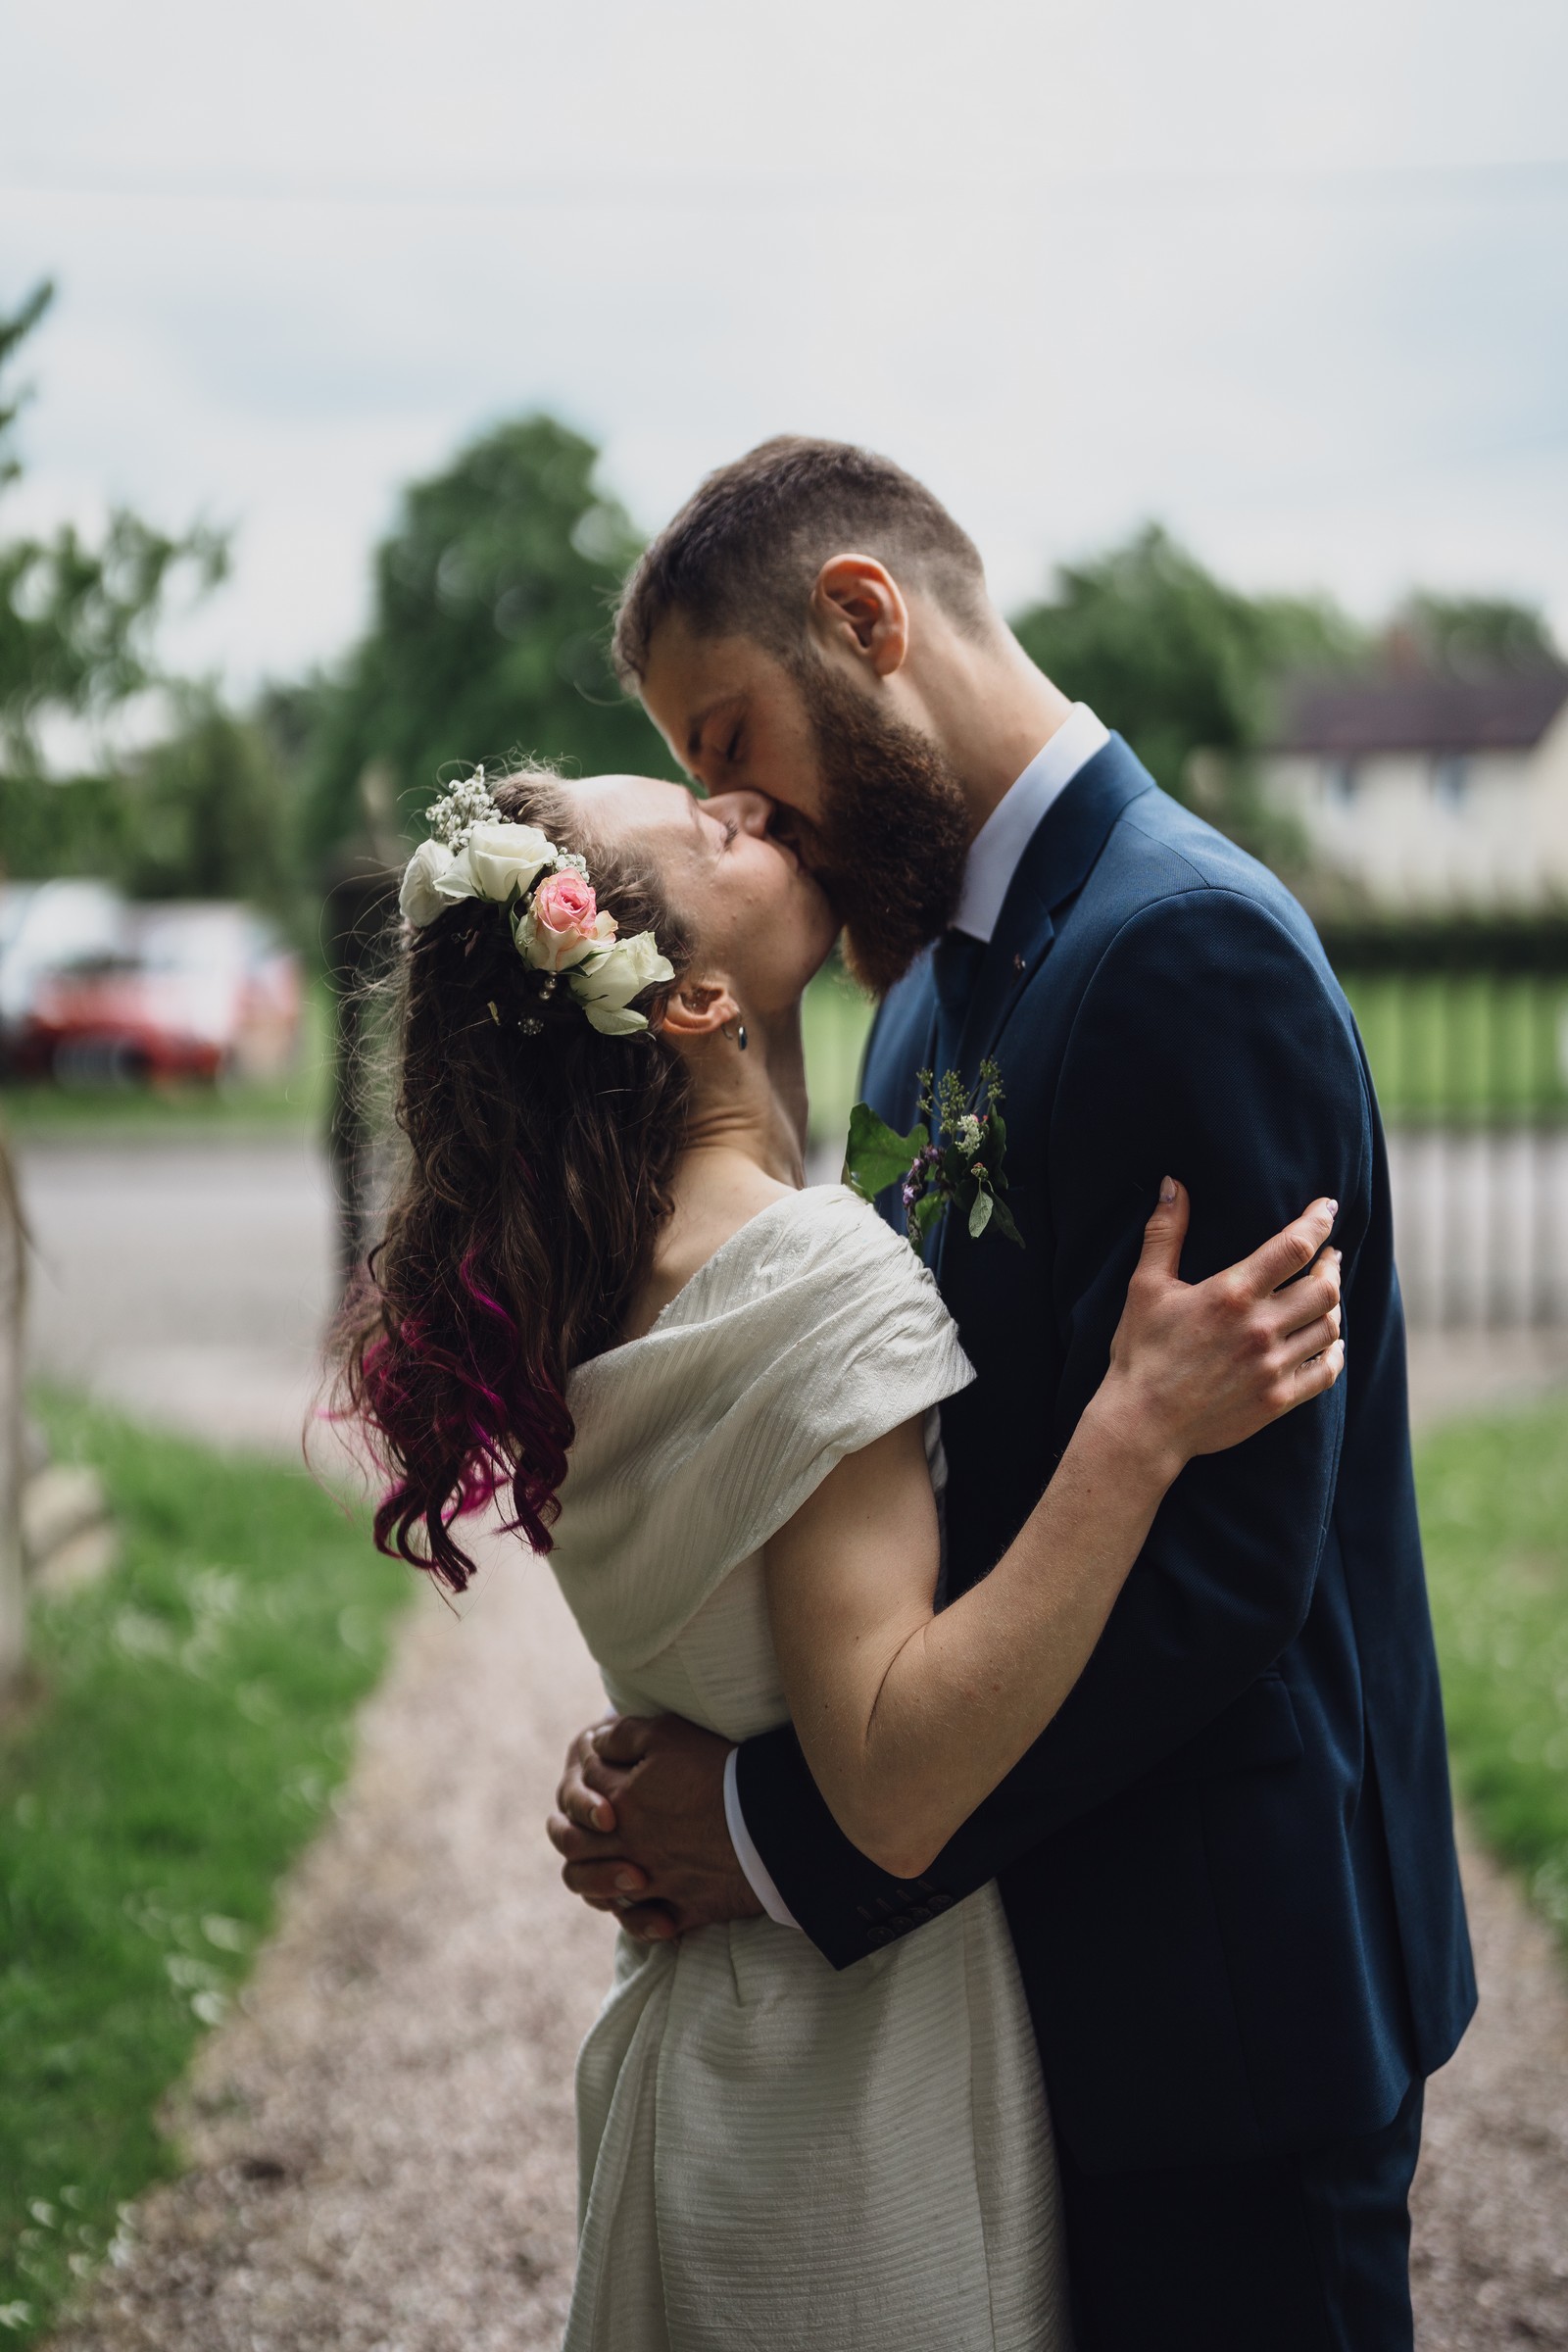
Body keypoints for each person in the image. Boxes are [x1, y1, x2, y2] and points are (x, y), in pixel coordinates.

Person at [548, 439, 1477, 2351]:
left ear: (864, 622)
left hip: (1225, 2011)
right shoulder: (908, 992)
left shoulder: (1185, 949)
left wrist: (770, 1833)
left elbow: (1225, 1584)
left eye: (733, 743)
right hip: (1036, 1999)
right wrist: (700, 1701)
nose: (740, 816)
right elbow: (892, 1464)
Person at [337, 759, 1345, 2351]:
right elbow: (885, 1781)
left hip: (695, 2055)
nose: (742, 804)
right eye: (704, 828)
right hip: (843, 2098)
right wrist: (1135, 1429)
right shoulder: (799, 1270)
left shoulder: (608, 1277)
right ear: (691, 999)